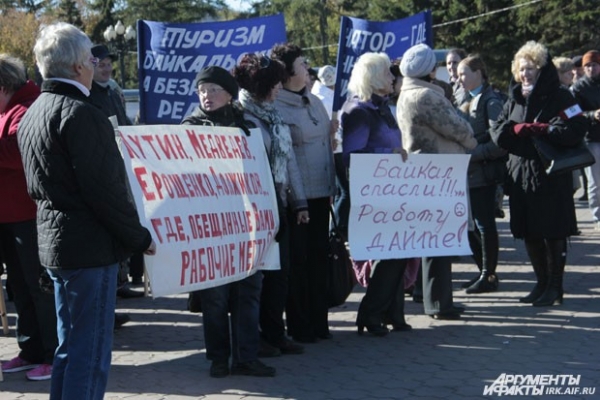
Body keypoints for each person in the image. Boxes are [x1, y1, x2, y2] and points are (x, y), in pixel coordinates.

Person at [17, 22, 156, 399]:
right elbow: (105, 193)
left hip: (56, 244)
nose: (97, 64)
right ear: (80, 66)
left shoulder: (33, 112)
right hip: (88, 249)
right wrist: (139, 237)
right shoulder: (81, 113)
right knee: (89, 352)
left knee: (70, 347)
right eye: (93, 58)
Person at [181, 65, 276, 378]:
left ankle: (246, 357)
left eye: (213, 90)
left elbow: (263, 172)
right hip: (212, 227)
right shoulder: (190, 128)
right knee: (216, 297)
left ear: (229, 94)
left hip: (246, 223)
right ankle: (219, 358)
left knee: (248, 291)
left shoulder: (246, 127)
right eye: (202, 91)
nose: (206, 96)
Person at [491, 41, 586, 307]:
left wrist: (546, 130)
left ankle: (555, 286)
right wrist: (515, 130)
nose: (526, 74)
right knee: (530, 232)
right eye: (522, 69)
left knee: (553, 232)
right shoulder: (514, 97)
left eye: (531, 68)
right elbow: (497, 131)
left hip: (551, 176)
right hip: (521, 176)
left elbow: (578, 126)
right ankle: (541, 283)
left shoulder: (561, 95)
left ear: (542, 69)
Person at [233, 53, 307, 357]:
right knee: (257, 278)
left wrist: (298, 201)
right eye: (274, 81)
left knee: (281, 275)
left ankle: (276, 333)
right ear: (261, 84)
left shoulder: (273, 116)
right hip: (253, 208)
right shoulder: (239, 117)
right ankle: (256, 336)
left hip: (279, 204)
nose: (280, 86)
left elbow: (288, 162)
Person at [397, 43, 477, 320]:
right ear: (429, 69)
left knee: (431, 241)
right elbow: (456, 127)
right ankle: (439, 302)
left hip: (426, 172)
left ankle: (432, 297)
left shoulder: (408, 93)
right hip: (438, 173)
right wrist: (471, 136)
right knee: (439, 242)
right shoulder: (425, 97)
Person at [340, 52, 411, 336]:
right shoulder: (359, 111)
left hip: (393, 190)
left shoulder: (382, 108)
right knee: (390, 255)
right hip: (375, 194)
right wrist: (389, 153)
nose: (393, 77)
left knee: (401, 251)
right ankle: (370, 313)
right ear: (373, 77)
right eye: (387, 73)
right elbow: (352, 157)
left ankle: (393, 313)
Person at [271, 43, 336, 343]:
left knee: (319, 260)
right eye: (300, 63)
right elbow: (288, 160)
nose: (307, 67)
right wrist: (297, 202)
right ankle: (299, 324)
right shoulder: (278, 108)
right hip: (299, 200)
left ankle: (319, 322)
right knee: (299, 263)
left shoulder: (315, 101)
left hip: (322, 192)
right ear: (286, 74)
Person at [0, 54, 58, 381]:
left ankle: (52, 354)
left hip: (29, 215)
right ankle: (30, 350)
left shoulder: (28, 107)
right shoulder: (8, 109)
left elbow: (18, 152)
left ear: (4, 86)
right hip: (9, 217)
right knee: (20, 288)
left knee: (39, 289)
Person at [456, 54, 506, 294]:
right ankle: (483, 272)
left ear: (479, 73)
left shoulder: (490, 100)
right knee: (473, 225)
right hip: (470, 173)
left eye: (464, 73)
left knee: (485, 225)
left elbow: (500, 142)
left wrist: (471, 155)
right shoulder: (468, 98)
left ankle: (489, 275)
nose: (459, 77)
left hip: (483, 174)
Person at [571, 50, 600, 230]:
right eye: (587, 66)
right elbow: (573, 113)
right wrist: (592, 115)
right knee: (595, 182)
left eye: (594, 65)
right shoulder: (578, 88)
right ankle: (598, 216)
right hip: (591, 139)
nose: (591, 69)